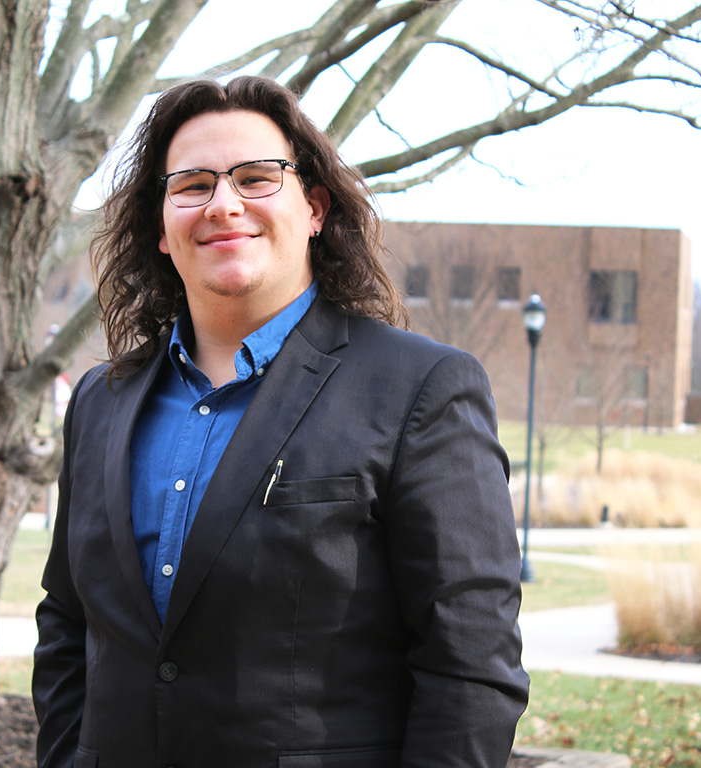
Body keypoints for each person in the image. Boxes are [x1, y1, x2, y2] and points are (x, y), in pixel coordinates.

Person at [32, 75, 529, 768]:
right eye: (193, 185)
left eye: (257, 178)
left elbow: (470, 664)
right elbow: (67, 624)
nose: (224, 204)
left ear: (316, 208)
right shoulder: (99, 401)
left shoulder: (420, 389)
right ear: (162, 229)